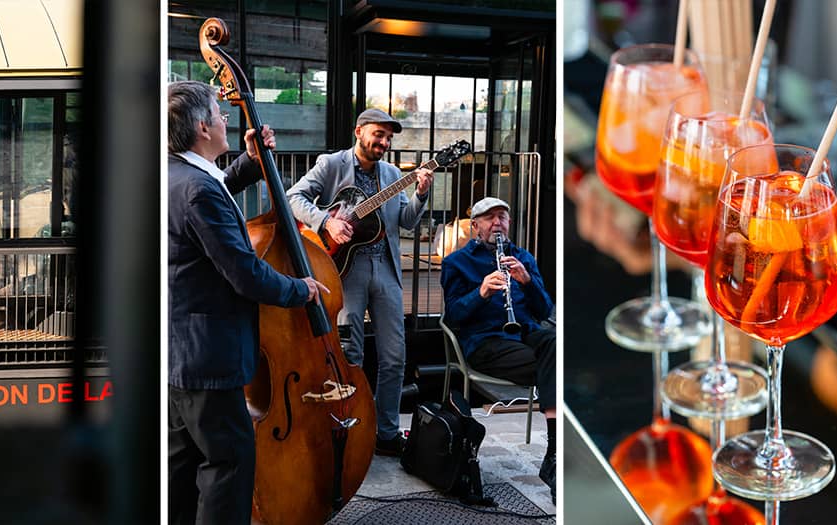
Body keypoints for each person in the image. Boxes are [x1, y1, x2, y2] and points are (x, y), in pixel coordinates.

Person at [167, 80, 330, 525]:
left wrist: (250, 164)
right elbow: (244, 273)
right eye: (220, 115)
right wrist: (302, 289)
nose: (225, 121)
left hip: (180, 355)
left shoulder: (173, 177)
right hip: (209, 358)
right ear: (203, 127)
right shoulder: (196, 189)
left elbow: (213, 193)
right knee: (229, 465)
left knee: (182, 469)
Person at [286, 108, 434, 456]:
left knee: (395, 356)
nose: (383, 142)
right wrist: (326, 222)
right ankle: (346, 430)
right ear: (359, 132)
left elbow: (408, 222)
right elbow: (294, 198)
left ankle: (386, 433)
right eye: (378, 135)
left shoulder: (393, 174)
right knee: (349, 352)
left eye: (388, 137)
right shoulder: (331, 165)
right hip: (344, 271)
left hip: (385, 269)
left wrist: (422, 194)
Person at [440, 197, 557, 496]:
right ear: (475, 226)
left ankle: (554, 453)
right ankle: (556, 455)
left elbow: (544, 311)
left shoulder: (523, 258)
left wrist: (527, 281)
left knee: (556, 344)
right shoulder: (457, 263)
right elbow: (453, 316)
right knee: (558, 365)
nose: (497, 223)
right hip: (485, 341)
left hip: (525, 335)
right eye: (489, 218)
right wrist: (480, 292)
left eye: (502, 217)